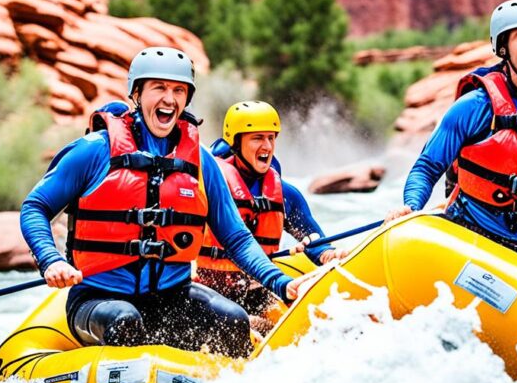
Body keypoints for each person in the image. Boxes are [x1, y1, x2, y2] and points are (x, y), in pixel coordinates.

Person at [20, 46, 312, 357]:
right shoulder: (93, 151)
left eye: (178, 90)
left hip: (172, 296)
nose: (169, 99)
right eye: (158, 88)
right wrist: (50, 259)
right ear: (137, 93)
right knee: (125, 321)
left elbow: (236, 238)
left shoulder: (201, 163)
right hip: (98, 298)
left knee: (234, 320)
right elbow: (36, 206)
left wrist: (280, 283)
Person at [386, 0, 517, 282]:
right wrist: (411, 206)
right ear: (503, 48)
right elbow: (427, 167)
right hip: (470, 229)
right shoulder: (473, 106)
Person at [197, 101, 348, 332]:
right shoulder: (211, 185)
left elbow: (313, 240)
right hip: (210, 293)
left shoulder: (285, 194)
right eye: (257, 138)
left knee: (311, 325)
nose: (267, 145)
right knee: (254, 326)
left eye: (271, 137)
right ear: (236, 142)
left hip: (259, 291)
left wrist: (329, 255)